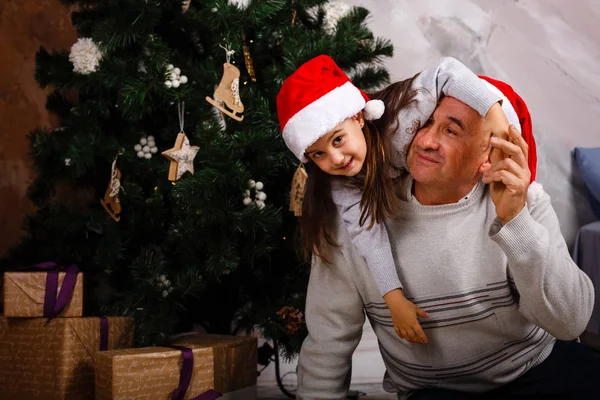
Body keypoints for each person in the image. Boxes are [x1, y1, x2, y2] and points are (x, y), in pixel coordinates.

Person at [293, 70, 598, 399]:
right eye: (425, 123)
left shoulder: (525, 200)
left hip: (533, 369)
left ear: (490, 154)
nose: (424, 140)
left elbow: (572, 322)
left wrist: (515, 220)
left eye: (452, 130)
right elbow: (327, 343)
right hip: (435, 391)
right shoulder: (353, 220)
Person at [276, 55, 509, 344]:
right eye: (318, 154)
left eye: (338, 139)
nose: (335, 159)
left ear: (358, 117)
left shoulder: (400, 121)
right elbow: (368, 235)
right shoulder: (342, 184)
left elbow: (446, 71)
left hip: (487, 110)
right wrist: (394, 298)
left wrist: (494, 112)